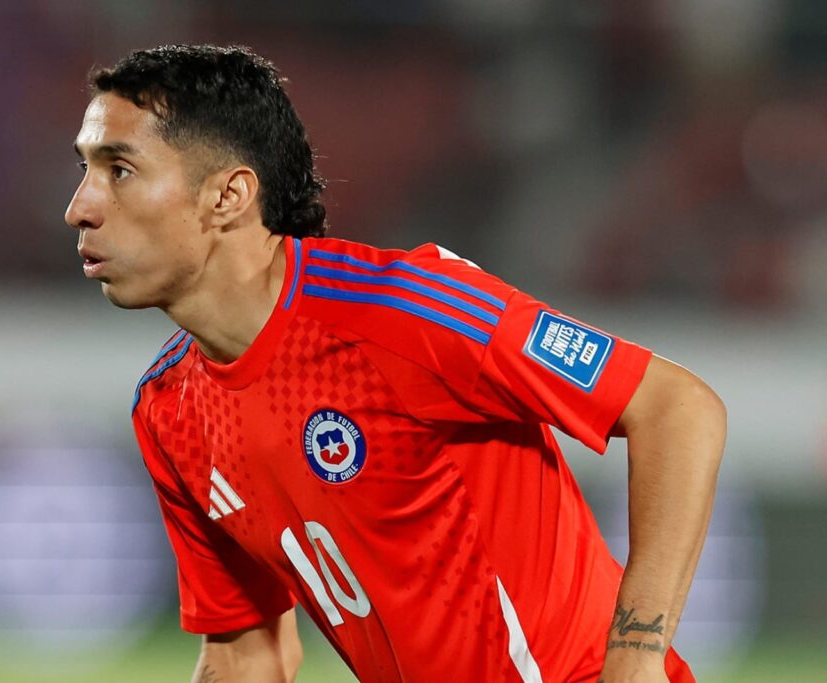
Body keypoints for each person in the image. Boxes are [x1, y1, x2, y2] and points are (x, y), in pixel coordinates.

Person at [64, 44, 726, 683]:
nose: (80, 208)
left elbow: (677, 407)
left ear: (228, 196)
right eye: (85, 170)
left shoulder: (401, 311)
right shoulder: (170, 406)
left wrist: (637, 657)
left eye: (118, 170)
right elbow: (246, 657)